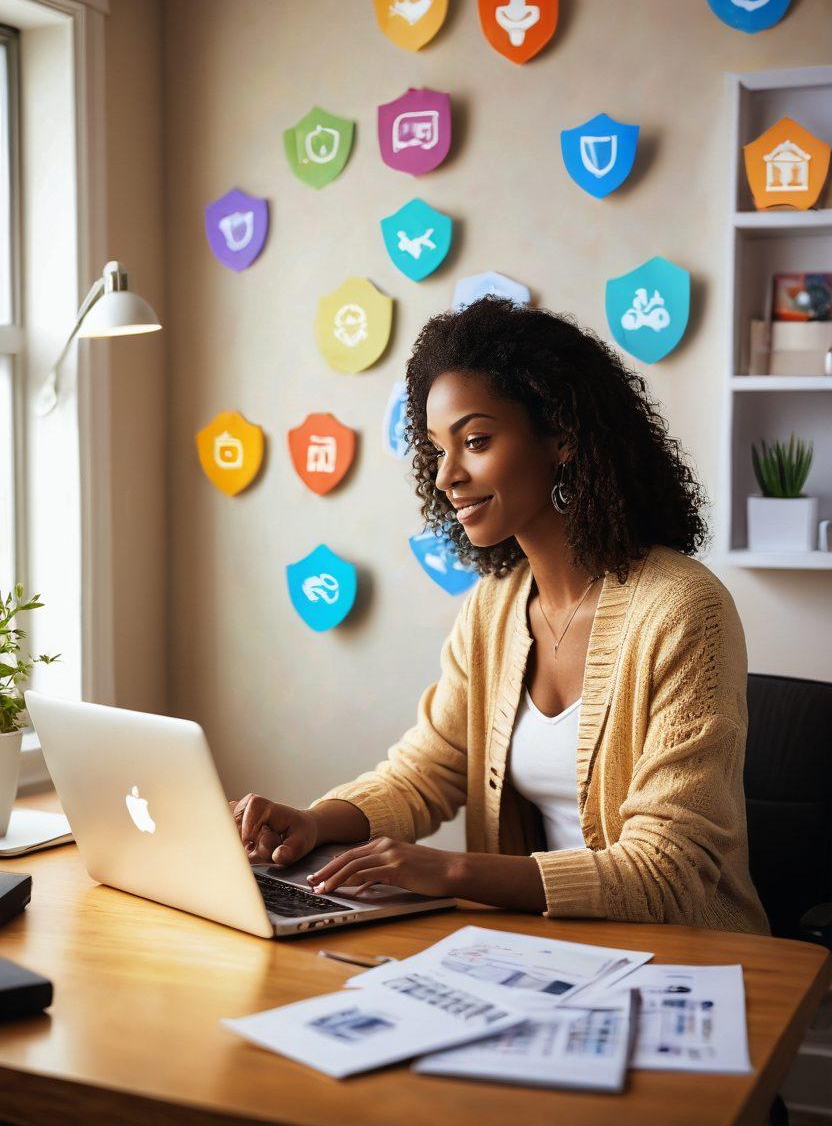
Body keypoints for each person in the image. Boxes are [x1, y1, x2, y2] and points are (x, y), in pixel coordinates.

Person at [231, 298, 769, 934]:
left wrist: (454, 872)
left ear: (563, 435)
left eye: (476, 441)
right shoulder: (494, 606)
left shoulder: (683, 610)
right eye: (436, 451)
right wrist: (317, 822)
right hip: (545, 950)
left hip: (690, 959)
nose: (447, 477)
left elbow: (667, 870)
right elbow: (427, 770)